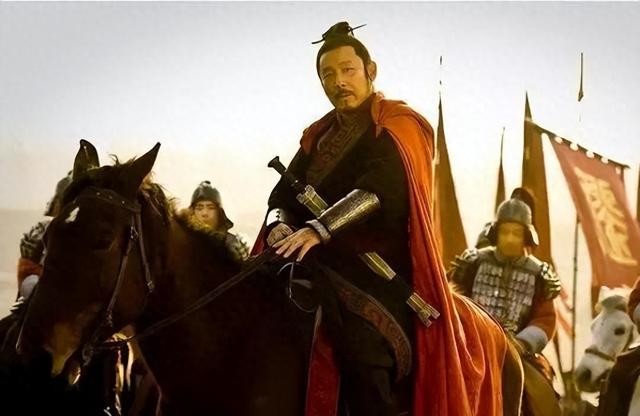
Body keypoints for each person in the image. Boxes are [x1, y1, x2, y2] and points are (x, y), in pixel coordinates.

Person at [257, 21, 506, 416]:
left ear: (370, 71)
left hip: (379, 271)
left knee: (364, 352)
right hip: (313, 263)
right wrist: (279, 224)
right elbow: (281, 196)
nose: (338, 82)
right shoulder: (318, 136)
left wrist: (320, 228)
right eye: (328, 74)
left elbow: (380, 190)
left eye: (347, 70)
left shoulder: (398, 125)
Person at [449, 188, 562, 415]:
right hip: (470, 344)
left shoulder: (539, 274)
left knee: (542, 397)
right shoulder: (473, 263)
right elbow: (454, 299)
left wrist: (521, 344)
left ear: (526, 237)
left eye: (516, 233)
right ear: (496, 233)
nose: (510, 238)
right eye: (505, 232)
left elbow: (545, 319)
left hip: (520, 349)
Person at [178, 180, 249, 262]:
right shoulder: (182, 243)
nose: (205, 213)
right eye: (199, 208)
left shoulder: (231, 244)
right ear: (192, 212)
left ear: (219, 212)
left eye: (211, 208)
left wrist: (240, 258)